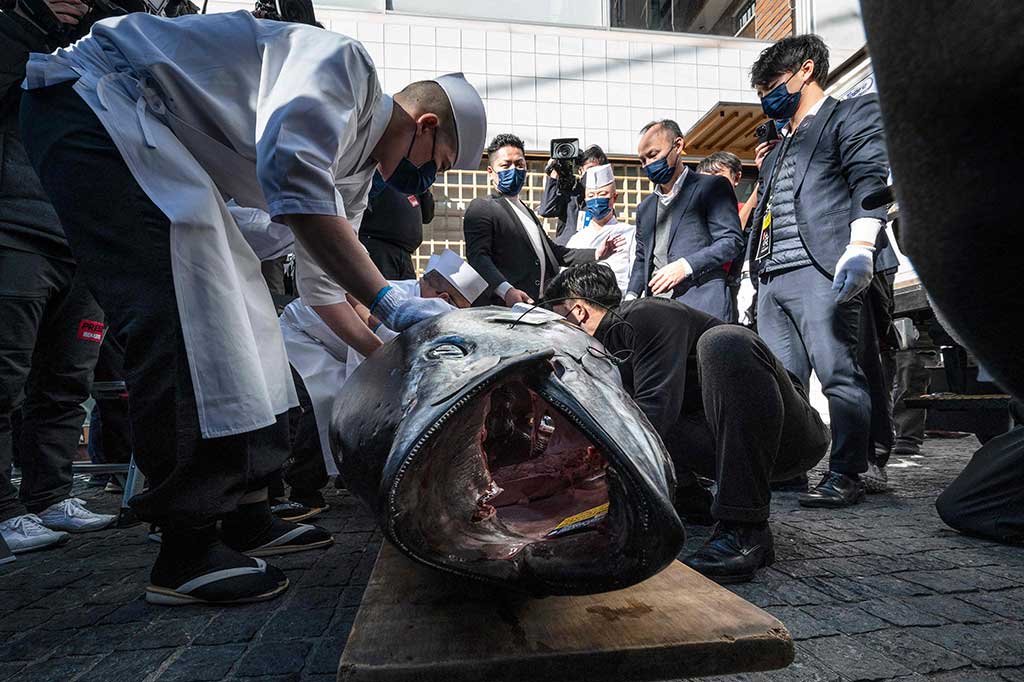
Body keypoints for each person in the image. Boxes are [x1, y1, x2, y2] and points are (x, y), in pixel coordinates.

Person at [19, 10, 486, 605]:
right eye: (439, 165)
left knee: (253, 320)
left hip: (159, 146)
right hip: (99, 107)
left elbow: (321, 295)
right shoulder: (342, 68)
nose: (426, 186)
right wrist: (390, 300)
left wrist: (396, 356)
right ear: (423, 126)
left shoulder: (356, 179)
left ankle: (246, 509)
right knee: (185, 304)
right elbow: (294, 180)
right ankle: (185, 545)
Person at [545, 262, 829, 583]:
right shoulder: (598, 353)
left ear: (578, 312)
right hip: (724, 448)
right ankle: (690, 500)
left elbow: (656, 409)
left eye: (556, 319)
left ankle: (745, 530)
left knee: (725, 341)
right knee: (617, 409)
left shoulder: (641, 314)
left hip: (790, 439)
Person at [747, 34, 898, 508]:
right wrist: (758, 276)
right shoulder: (779, 144)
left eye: (773, 84)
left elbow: (868, 180)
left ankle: (848, 470)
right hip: (774, 277)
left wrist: (861, 246)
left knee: (839, 373)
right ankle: (791, 468)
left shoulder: (850, 115)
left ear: (805, 70)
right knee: (785, 383)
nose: (769, 97)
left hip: (824, 268)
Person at [1, 0, 116, 557]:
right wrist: (30, 22)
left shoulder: (102, 42)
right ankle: (5, 510)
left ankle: (49, 496)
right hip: (14, 229)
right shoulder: (14, 31)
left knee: (67, 380)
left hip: (79, 235)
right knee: (4, 377)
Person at [281, 249, 487, 486]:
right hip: (305, 332)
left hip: (344, 343)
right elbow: (363, 311)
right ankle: (304, 486)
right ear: (444, 298)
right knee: (327, 401)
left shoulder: (420, 297)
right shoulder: (409, 299)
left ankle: (345, 475)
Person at [464, 134, 622, 306]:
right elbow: (478, 257)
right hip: (503, 308)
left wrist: (595, 254)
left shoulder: (527, 212)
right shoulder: (482, 207)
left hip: (538, 306)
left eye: (519, 164)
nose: (513, 170)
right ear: (490, 172)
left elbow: (553, 252)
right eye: (505, 165)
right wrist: (506, 290)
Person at [626, 120, 743, 321]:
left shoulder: (712, 187)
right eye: (643, 160)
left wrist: (686, 266)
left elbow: (731, 242)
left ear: (678, 145)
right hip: (657, 313)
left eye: (653, 155)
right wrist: (630, 297)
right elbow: (642, 258)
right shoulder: (644, 208)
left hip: (703, 306)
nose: (648, 165)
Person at [695, 151, 756, 324]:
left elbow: (737, 228)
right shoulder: (693, 215)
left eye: (718, 177)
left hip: (736, 289)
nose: (711, 184)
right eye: (705, 178)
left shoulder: (745, 209)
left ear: (737, 178)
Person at [564, 164, 635, 295]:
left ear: (614, 197)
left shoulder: (630, 233)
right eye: (591, 196)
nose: (596, 200)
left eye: (602, 194)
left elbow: (636, 274)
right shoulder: (576, 239)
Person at [358, 171, 435, 280]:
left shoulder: (412, 185)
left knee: (405, 295)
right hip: (380, 247)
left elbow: (428, 216)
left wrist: (423, 187)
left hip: (405, 254)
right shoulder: (380, 176)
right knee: (383, 292)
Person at [538, 144, 609, 245]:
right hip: (566, 253)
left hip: (593, 252)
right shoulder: (570, 194)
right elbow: (546, 210)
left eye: (597, 170)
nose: (593, 174)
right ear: (581, 171)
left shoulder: (606, 199)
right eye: (590, 169)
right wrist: (554, 174)